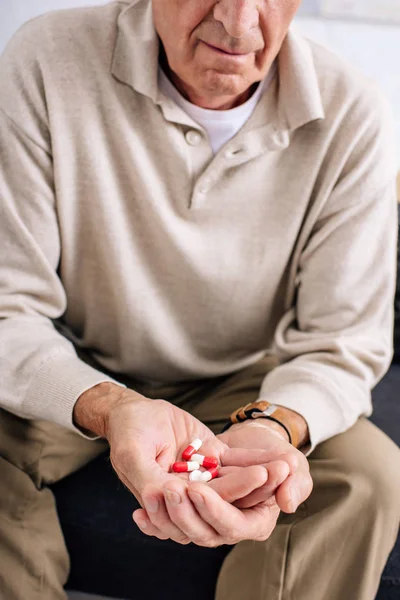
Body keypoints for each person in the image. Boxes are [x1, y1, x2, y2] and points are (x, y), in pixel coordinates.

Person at [0, 0, 399, 598]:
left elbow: (343, 343)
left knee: (365, 477)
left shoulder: (354, 112)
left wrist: (272, 427)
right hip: (82, 367)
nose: (238, 22)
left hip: (251, 383)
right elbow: (9, 304)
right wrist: (109, 406)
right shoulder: (46, 56)